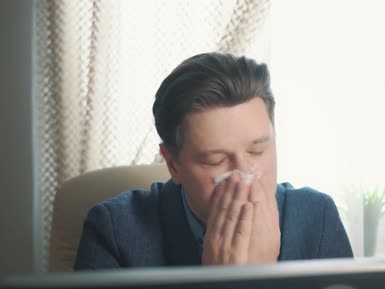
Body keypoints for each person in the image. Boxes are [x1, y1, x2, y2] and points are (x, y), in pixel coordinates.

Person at [74, 52, 353, 269]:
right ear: (173, 164)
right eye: (216, 160)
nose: (245, 175)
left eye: (257, 151)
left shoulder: (317, 218)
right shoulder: (114, 230)